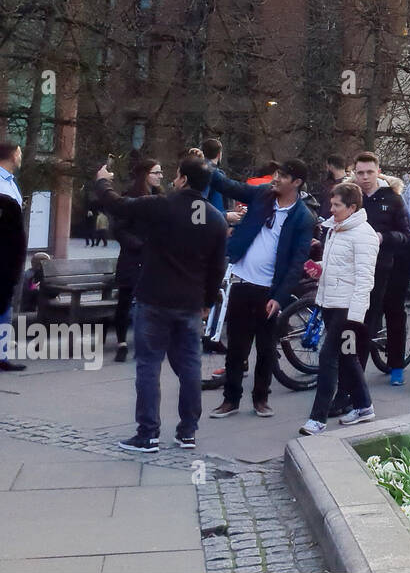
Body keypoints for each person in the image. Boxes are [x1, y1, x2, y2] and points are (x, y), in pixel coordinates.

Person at [93, 156, 228, 452]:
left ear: (182, 179)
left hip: (154, 297)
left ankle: (148, 433)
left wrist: (103, 181)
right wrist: (207, 300)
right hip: (190, 301)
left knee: (149, 365)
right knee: (190, 366)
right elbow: (218, 268)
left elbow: (117, 205)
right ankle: (188, 431)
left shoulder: (162, 205)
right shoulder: (216, 218)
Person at [207, 159, 316, 419]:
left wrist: (279, 298)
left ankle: (261, 399)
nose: (275, 179)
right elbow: (229, 186)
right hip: (242, 281)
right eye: (276, 174)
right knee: (236, 346)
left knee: (266, 348)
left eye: (282, 176)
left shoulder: (302, 217)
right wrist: (206, 167)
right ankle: (230, 400)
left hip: (269, 290)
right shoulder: (262, 194)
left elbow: (296, 262)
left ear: (297, 182)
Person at [299, 182, 380, 435]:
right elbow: (340, 265)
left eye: (337, 205)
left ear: (352, 207)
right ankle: (364, 406)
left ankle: (318, 418)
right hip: (331, 302)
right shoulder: (336, 229)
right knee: (348, 357)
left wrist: (355, 318)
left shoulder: (363, 235)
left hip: (347, 309)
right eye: (331, 204)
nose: (331, 209)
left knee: (328, 357)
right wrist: (319, 267)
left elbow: (365, 279)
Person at [346, 152, 410, 389]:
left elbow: (407, 235)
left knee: (394, 315)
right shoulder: (350, 196)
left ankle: (396, 366)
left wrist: (383, 237)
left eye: (369, 172)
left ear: (378, 171)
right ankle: (354, 370)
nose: (364, 177)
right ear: (354, 172)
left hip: (392, 266)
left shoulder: (393, 199)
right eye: (360, 172)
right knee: (360, 320)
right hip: (359, 268)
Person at [109, 158, 164, 363]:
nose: (160, 176)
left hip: (153, 258)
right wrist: (138, 244)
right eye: (156, 172)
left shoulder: (160, 197)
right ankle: (121, 343)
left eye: (160, 173)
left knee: (151, 301)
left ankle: (150, 339)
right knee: (125, 299)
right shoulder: (130, 197)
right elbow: (119, 229)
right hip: (134, 257)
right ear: (145, 174)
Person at [0, 143, 27, 373]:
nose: (21, 156)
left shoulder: (10, 182)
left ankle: (2, 355)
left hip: (9, 257)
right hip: (2, 254)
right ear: (11, 155)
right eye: (18, 152)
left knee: (5, 305)